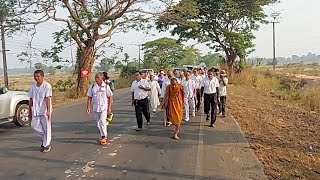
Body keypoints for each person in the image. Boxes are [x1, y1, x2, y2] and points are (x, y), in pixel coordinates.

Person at [28, 70, 53, 153]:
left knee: (47, 127)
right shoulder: (32, 86)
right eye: (35, 76)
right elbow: (30, 99)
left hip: (44, 110)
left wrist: (48, 111)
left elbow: (48, 98)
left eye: (38, 76)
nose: (36, 78)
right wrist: (29, 111)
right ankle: (45, 139)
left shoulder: (47, 86)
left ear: (42, 76)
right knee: (34, 126)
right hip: (35, 109)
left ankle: (46, 145)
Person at [87, 72, 113, 145]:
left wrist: (109, 108)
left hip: (104, 107)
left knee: (102, 121)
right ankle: (102, 135)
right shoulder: (92, 86)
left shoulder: (106, 87)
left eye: (97, 77)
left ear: (102, 78)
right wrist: (88, 106)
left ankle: (104, 136)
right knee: (98, 123)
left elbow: (110, 96)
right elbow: (89, 97)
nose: (96, 79)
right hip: (96, 107)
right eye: (95, 77)